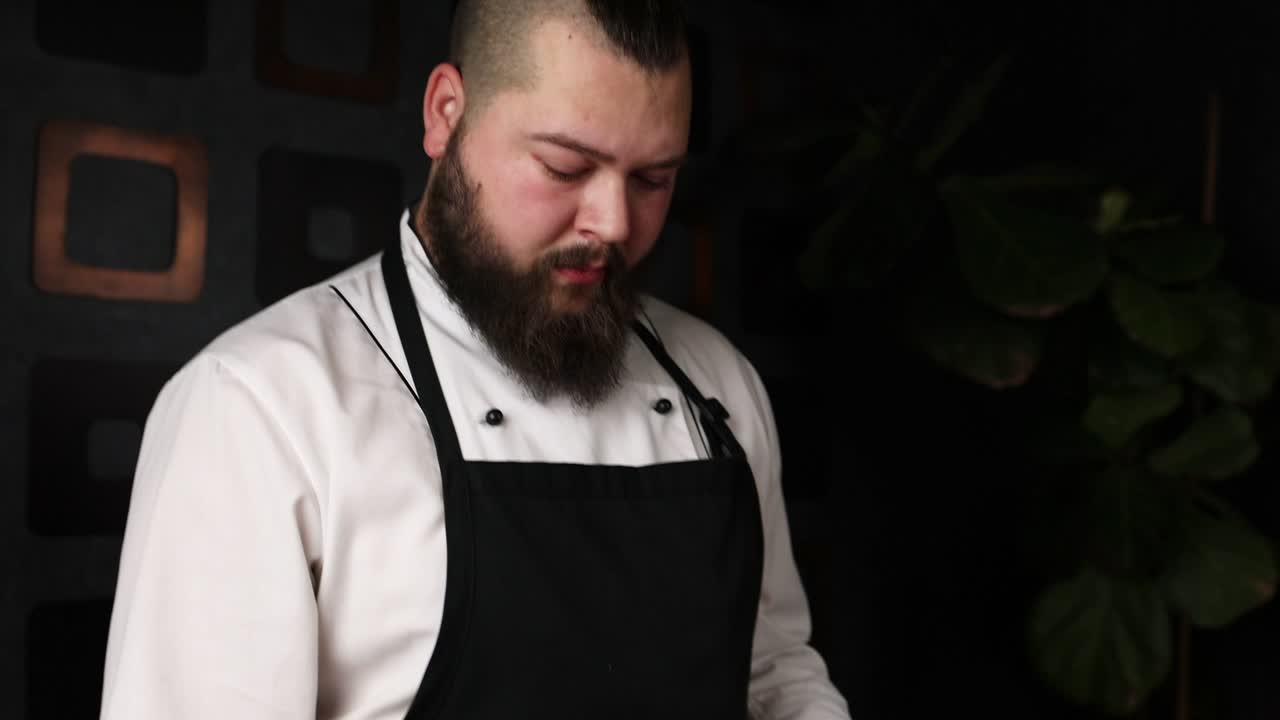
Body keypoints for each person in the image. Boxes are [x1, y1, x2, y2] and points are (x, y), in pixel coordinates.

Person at [99, 1, 852, 718]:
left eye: (654, 178)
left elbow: (773, 670)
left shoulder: (717, 384)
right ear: (445, 113)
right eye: (565, 167)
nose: (614, 222)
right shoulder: (259, 406)